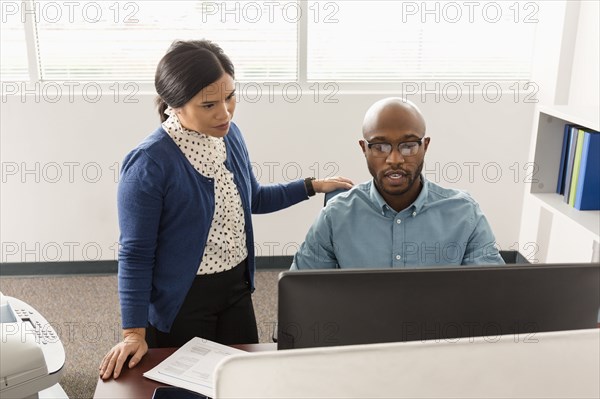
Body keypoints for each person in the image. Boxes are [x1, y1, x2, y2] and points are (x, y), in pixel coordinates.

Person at [99, 39, 353, 380]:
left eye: (230, 96)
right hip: (182, 300)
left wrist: (311, 185)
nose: (225, 112)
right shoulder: (149, 164)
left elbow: (254, 198)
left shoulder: (230, 136)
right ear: (175, 104)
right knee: (191, 387)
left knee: (244, 380)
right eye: (208, 104)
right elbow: (135, 254)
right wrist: (133, 333)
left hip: (235, 289)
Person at [291, 97, 504, 269]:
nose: (395, 160)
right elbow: (302, 292)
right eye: (380, 147)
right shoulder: (335, 217)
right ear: (364, 148)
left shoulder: (464, 213)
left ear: (425, 146)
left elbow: (492, 292)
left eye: (408, 146)